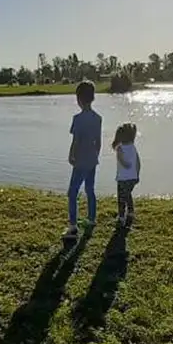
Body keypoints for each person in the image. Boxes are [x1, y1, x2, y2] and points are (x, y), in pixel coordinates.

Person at [65, 81, 102, 237]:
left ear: (79, 99)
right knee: (90, 189)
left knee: (72, 192)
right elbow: (98, 141)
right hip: (92, 159)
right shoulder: (98, 118)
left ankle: (73, 226)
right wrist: (95, 155)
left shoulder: (77, 119)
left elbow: (76, 141)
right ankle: (91, 219)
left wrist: (71, 155)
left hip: (80, 161)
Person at [113, 122, 140, 227]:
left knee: (121, 198)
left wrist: (126, 164)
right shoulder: (133, 147)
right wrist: (137, 174)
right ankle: (130, 212)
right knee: (128, 195)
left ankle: (121, 217)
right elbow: (138, 162)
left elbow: (121, 159)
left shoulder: (120, 148)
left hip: (123, 178)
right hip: (132, 177)